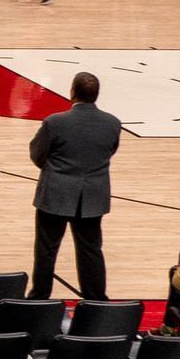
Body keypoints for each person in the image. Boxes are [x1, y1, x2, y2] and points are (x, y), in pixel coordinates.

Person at [28, 71, 121, 300]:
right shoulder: (113, 124)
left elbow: (37, 154)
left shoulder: (54, 122)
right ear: (96, 95)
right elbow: (110, 152)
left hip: (56, 194)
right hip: (92, 197)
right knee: (91, 250)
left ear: (72, 92)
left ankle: (39, 299)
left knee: (46, 250)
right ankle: (97, 300)